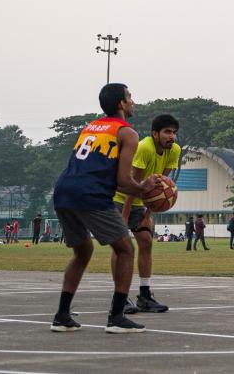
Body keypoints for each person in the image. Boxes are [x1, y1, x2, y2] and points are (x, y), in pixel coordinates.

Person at [49, 83, 162, 334]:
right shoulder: (127, 133)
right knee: (125, 250)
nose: (133, 101)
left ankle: (62, 315)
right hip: (91, 194)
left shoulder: (91, 127)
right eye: (129, 97)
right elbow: (123, 181)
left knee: (82, 251)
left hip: (64, 192)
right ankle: (117, 317)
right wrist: (146, 188)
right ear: (121, 104)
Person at [120, 113, 181, 314]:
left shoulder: (174, 151)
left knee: (146, 241)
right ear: (155, 134)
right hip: (120, 198)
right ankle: (120, 299)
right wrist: (125, 216)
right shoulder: (145, 147)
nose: (172, 136)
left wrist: (148, 215)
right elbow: (133, 185)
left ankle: (144, 296)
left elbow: (159, 185)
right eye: (167, 132)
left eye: (174, 132)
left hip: (141, 200)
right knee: (121, 247)